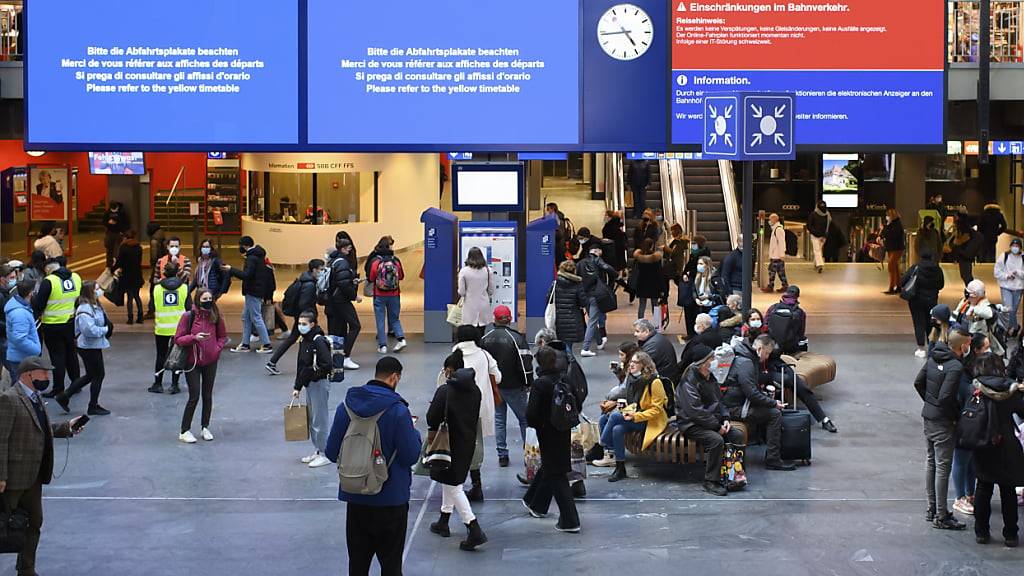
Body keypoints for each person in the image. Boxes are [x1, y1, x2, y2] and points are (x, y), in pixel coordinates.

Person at [325, 357, 420, 576]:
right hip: (391, 499)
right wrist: (414, 433)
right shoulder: (398, 411)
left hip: (356, 498)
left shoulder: (346, 407)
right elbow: (410, 456)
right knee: (391, 565)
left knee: (357, 565)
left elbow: (331, 452)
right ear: (394, 377)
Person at [0, 356, 86, 576]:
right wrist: (1, 476)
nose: (47, 377)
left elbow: (41, 428)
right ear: (28, 374)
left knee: (34, 523)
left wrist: (67, 428)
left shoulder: (36, 397)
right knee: (2, 527)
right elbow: (1, 440)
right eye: (44, 373)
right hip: (12, 478)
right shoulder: (9, 399)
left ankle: (26, 569)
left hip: (35, 475)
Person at [427, 350, 489, 549]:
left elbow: (431, 418)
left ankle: (473, 528)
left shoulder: (445, 392)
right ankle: (444, 520)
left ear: (450, 370)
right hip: (467, 443)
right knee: (450, 480)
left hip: (448, 444)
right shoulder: (475, 390)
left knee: (454, 486)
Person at [914, 329, 970, 530]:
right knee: (943, 467)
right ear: (962, 346)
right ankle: (941, 514)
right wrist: (954, 416)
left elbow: (918, 382)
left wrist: (930, 403)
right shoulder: (955, 367)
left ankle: (931, 508)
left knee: (931, 462)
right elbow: (946, 397)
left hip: (928, 417)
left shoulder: (932, 358)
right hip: (943, 421)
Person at [522, 345, 582, 532]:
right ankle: (535, 503)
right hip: (563, 429)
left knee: (556, 472)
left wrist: (538, 424)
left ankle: (570, 520)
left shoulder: (541, 383)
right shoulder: (564, 378)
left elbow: (531, 414)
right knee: (551, 466)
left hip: (546, 431)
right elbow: (576, 402)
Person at [969, 352, 1024, 546]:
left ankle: (981, 532)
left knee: (983, 488)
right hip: (1007, 444)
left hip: (982, 443)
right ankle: (1010, 534)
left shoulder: (974, 388)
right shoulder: (1011, 389)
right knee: (1008, 491)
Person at [677, 348, 747, 496]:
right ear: (703, 363)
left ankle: (735, 474)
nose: (715, 361)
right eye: (712, 358)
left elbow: (719, 401)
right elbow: (696, 412)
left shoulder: (710, 376)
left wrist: (726, 418)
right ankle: (711, 481)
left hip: (711, 420)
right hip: (691, 424)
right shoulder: (688, 382)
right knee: (716, 440)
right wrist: (717, 427)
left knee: (737, 435)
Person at [591, 351, 668, 482]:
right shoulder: (632, 378)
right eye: (631, 361)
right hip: (635, 414)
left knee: (614, 416)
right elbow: (633, 402)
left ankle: (601, 445)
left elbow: (656, 410)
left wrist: (635, 416)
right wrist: (621, 406)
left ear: (644, 365)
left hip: (650, 421)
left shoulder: (655, 382)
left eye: (635, 362)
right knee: (616, 428)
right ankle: (620, 467)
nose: (631, 364)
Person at [722, 335, 796, 471]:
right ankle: (773, 459)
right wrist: (773, 403)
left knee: (771, 410)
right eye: (767, 353)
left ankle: (772, 454)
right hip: (733, 408)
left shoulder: (742, 355)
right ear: (760, 348)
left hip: (732, 403)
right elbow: (751, 393)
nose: (767, 357)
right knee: (774, 414)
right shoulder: (746, 362)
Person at [453, 325, 501, 501]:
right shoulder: (484, 355)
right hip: (479, 408)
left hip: (457, 409)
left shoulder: (454, 356)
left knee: (457, 446)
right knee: (475, 446)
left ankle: (455, 485)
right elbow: (498, 377)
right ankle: (476, 484)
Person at [175, 288, 228, 444]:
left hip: (211, 361)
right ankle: (184, 430)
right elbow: (178, 338)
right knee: (194, 395)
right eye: (204, 299)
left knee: (207, 395)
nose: (208, 301)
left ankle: (205, 426)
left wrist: (216, 350)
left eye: (210, 298)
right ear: (197, 300)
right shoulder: (188, 317)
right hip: (192, 362)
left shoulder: (215, 315)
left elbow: (223, 337)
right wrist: (194, 338)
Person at [55, 281, 110, 415]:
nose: (99, 291)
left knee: (91, 375)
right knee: (98, 375)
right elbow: (88, 330)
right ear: (90, 292)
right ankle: (92, 406)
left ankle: (64, 396)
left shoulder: (93, 306)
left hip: (93, 346)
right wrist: (106, 329)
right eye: (96, 289)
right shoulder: (85, 309)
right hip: (88, 347)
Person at [285, 310, 333, 465]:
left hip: (318, 384)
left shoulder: (318, 341)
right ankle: (318, 450)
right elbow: (301, 365)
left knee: (320, 420)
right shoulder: (304, 340)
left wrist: (312, 375)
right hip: (310, 384)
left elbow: (327, 364)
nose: (301, 326)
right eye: (299, 323)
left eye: (304, 324)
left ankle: (325, 453)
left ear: (312, 324)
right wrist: (297, 386)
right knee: (313, 419)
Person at [32, 257, 81, 398]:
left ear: (49, 269)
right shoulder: (76, 278)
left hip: (52, 325)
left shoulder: (49, 281)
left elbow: (39, 305)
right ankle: (76, 384)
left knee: (57, 357)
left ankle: (58, 388)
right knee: (72, 354)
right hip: (71, 323)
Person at [266, 259, 323, 376]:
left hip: (302, 316)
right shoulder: (310, 284)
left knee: (293, 339)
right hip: (307, 317)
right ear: (314, 270)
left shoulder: (303, 279)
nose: (322, 272)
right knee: (316, 338)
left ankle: (272, 362)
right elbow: (304, 303)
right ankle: (315, 364)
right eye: (321, 269)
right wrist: (308, 318)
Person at [223, 236, 273, 355]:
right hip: (256, 290)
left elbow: (246, 275)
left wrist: (231, 269)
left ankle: (266, 344)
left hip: (252, 291)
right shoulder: (259, 256)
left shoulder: (251, 258)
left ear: (245, 245)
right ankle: (245, 344)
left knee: (256, 317)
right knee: (246, 317)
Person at [150, 261, 190, 395]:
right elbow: (189, 308)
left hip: (162, 328)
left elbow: (151, 307)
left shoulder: (156, 288)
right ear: (178, 272)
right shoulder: (184, 288)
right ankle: (174, 384)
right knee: (177, 356)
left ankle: (157, 383)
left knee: (160, 355)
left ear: (164, 273)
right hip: (179, 329)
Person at [325, 235, 361, 369]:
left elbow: (341, 280)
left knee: (338, 329)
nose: (350, 251)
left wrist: (351, 280)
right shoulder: (342, 262)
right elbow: (343, 284)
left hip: (333, 300)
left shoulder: (333, 260)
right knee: (355, 326)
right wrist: (354, 295)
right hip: (341, 300)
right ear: (343, 249)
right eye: (349, 248)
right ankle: (345, 356)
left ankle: (337, 358)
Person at [368, 236, 408, 354]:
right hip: (394, 294)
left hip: (379, 295)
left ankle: (383, 346)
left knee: (380, 320)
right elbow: (401, 276)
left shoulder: (376, 262)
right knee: (394, 319)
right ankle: (401, 339)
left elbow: (371, 278)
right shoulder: (395, 261)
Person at [577, 246, 617, 356]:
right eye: (600, 251)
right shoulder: (597, 259)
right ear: (596, 251)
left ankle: (599, 342)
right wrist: (616, 275)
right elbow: (609, 269)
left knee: (592, 319)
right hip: (595, 294)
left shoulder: (580, 263)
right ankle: (585, 348)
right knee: (593, 321)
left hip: (585, 295)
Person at [903, 251, 945, 358]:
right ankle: (931, 346)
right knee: (930, 322)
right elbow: (941, 285)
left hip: (916, 300)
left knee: (918, 323)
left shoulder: (916, 267)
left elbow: (903, 280)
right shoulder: (937, 269)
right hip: (932, 299)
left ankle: (920, 348)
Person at [954, 279, 1005, 357]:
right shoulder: (965, 302)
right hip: (963, 341)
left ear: (975, 294)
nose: (966, 294)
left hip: (977, 345)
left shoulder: (984, 306)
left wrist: (973, 307)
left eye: (968, 292)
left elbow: (989, 314)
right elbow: (955, 315)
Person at [4, 280, 40, 381]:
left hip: (21, 356)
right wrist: (36, 349)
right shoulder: (20, 313)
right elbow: (19, 339)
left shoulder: (21, 307)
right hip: (22, 358)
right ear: (30, 294)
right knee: (22, 388)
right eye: (36, 291)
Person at [634, 318, 681, 386]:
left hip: (663, 381)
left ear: (647, 331)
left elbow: (641, 365)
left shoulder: (652, 345)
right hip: (668, 377)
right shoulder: (656, 338)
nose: (635, 334)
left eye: (637, 331)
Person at [680, 255, 718, 337]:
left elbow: (719, 294)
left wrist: (708, 297)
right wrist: (696, 298)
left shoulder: (714, 278)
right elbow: (694, 289)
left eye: (701, 264)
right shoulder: (698, 277)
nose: (698, 266)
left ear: (707, 265)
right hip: (700, 305)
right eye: (698, 263)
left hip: (710, 306)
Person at [550, 260, 586, 347]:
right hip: (573, 317)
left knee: (563, 343)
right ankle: (570, 360)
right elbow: (583, 302)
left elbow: (549, 298)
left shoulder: (555, 283)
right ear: (574, 270)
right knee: (568, 345)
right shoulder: (577, 284)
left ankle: (567, 359)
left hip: (559, 318)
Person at [457, 247, 493, 333]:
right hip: (483, 305)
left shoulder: (464, 271)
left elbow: (461, 292)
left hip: (469, 305)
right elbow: (491, 290)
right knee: (481, 331)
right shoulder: (488, 270)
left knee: (469, 331)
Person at [112, 229, 144, 324]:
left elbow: (119, 262)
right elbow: (139, 261)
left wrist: (112, 269)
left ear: (125, 237)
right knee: (137, 296)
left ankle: (130, 318)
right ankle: (140, 316)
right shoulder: (139, 247)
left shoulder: (124, 248)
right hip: (137, 275)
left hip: (127, 275)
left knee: (129, 297)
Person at [765, 285, 807, 355]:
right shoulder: (800, 313)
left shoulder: (773, 308)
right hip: (791, 346)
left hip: (774, 344)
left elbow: (765, 323)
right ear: (797, 296)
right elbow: (801, 332)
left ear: (786, 293)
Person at [993, 237, 1024, 332]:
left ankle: (1014, 328)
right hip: (1006, 287)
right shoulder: (1004, 256)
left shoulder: (1023, 257)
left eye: (1017, 246)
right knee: (1008, 309)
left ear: (1020, 248)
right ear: (1010, 246)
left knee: (1013, 310)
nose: (1015, 248)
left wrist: (1018, 272)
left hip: (1018, 288)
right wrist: (1007, 276)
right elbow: (996, 272)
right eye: (1013, 246)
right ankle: (1008, 329)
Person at [633, 238, 664, 321]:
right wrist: (663, 288)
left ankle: (640, 323)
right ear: (652, 246)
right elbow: (659, 274)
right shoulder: (656, 259)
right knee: (655, 305)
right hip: (654, 284)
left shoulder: (638, 258)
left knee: (642, 305)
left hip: (641, 284)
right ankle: (657, 325)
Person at [951, 213, 981, 286]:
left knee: (965, 274)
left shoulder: (963, 229)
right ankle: (971, 289)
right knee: (966, 274)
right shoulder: (968, 229)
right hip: (966, 254)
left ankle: (972, 289)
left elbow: (959, 242)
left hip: (965, 254)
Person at [145, 221, 167, 319]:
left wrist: (153, 265)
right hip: (165, 266)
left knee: (153, 289)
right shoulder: (162, 236)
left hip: (157, 268)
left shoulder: (154, 240)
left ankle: (151, 310)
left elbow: (154, 257)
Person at [881, 208, 906, 294]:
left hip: (897, 248)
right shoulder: (890, 224)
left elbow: (892, 235)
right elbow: (884, 233)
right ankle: (898, 286)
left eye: (888, 215)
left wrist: (886, 228)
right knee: (895, 267)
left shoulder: (897, 224)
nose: (887, 217)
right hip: (891, 248)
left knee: (891, 266)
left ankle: (891, 287)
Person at [762, 213, 788, 293]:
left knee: (772, 271)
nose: (769, 221)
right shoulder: (775, 229)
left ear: (774, 219)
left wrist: (782, 254)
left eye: (770, 219)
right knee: (780, 272)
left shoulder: (778, 229)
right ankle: (784, 285)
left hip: (777, 256)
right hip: (775, 255)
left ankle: (771, 286)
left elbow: (782, 242)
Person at [102, 200, 130, 269]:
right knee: (109, 249)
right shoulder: (107, 212)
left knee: (117, 250)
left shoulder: (122, 212)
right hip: (110, 232)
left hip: (118, 232)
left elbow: (126, 223)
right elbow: (104, 222)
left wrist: (121, 230)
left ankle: (117, 264)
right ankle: (109, 264)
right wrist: (109, 223)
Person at [806, 201, 831, 273]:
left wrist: (820, 234)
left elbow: (809, 225)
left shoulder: (825, 215)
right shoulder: (826, 215)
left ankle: (818, 264)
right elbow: (809, 225)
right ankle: (819, 265)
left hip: (820, 236)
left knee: (818, 250)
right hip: (818, 236)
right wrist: (817, 233)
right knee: (817, 250)